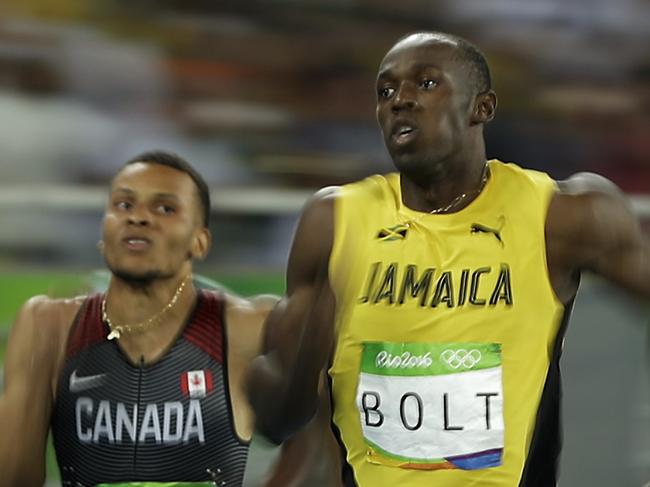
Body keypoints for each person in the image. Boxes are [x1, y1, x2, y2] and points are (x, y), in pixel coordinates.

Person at [247, 32, 650, 486]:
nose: (400, 99)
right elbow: (277, 422)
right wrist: (300, 350)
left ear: (483, 107)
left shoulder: (562, 216)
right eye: (385, 91)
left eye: (426, 83)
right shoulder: (334, 222)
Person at [0, 150, 339, 486]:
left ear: (200, 242)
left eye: (165, 208)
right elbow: (14, 476)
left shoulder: (249, 328)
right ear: (103, 236)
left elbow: (319, 455)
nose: (138, 218)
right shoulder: (49, 326)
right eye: (123, 205)